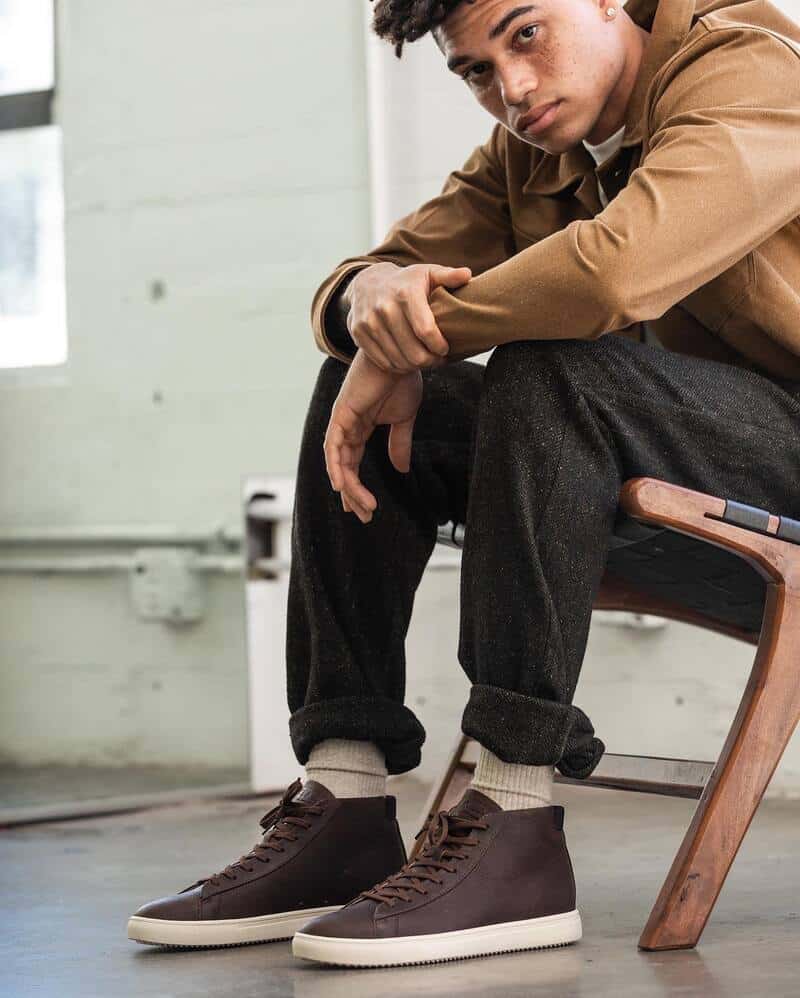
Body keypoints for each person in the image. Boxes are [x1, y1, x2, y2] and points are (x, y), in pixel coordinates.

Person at [128, 0, 800, 968]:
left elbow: (615, 275)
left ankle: (516, 819)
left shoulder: (752, 72)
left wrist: (412, 335)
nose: (509, 89)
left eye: (525, 34)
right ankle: (345, 799)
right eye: (474, 71)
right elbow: (384, 267)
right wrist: (367, 305)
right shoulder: (533, 150)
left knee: (549, 367)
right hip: (666, 481)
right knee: (374, 392)